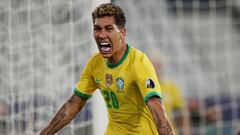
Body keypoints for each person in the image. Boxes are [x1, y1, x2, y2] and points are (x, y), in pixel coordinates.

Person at [39, 3, 175, 135]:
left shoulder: (139, 63)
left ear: (122, 33)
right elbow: (74, 104)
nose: (101, 35)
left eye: (109, 29)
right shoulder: (95, 63)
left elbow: (157, 111)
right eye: (97, 29)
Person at [151, 58, 190, 135]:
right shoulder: (142, 87)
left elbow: (183, 113)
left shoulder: (171, 87)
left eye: (158, 66)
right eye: (153, 66)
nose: (156, 69)